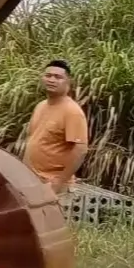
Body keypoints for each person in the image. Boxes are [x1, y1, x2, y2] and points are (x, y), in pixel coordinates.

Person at [24, 59, 90, 195]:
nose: (52, 80)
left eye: (58, 77)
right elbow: (31, 140)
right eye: (48, 76)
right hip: (33, 180)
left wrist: (59, 182)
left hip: (53, 186)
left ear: (68, 81)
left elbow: (80, 150)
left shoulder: (72, 111)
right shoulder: (40, 106)